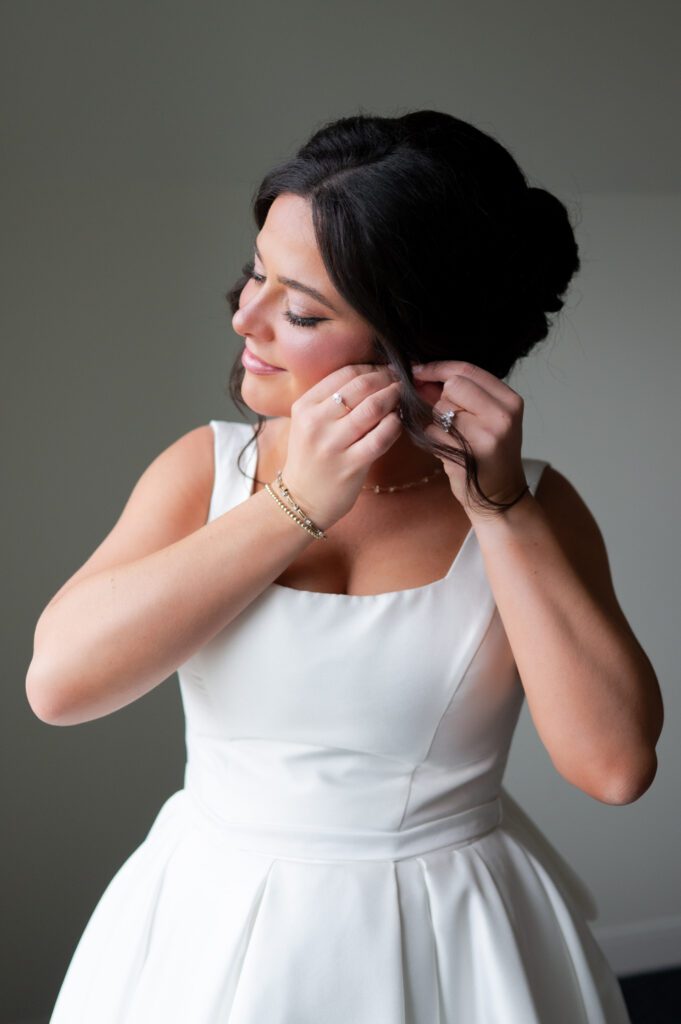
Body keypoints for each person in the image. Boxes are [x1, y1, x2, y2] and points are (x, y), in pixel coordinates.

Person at [29, 109, 663, 1023]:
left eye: (299, 310)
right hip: (207, 925)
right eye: (256, 273)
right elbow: (57, 687)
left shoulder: (534, 505)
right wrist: (293, 505)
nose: (243, 316)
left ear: (416, 345)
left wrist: (499, 514)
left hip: (452, 936)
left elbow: (613, 768)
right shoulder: (205, 469)